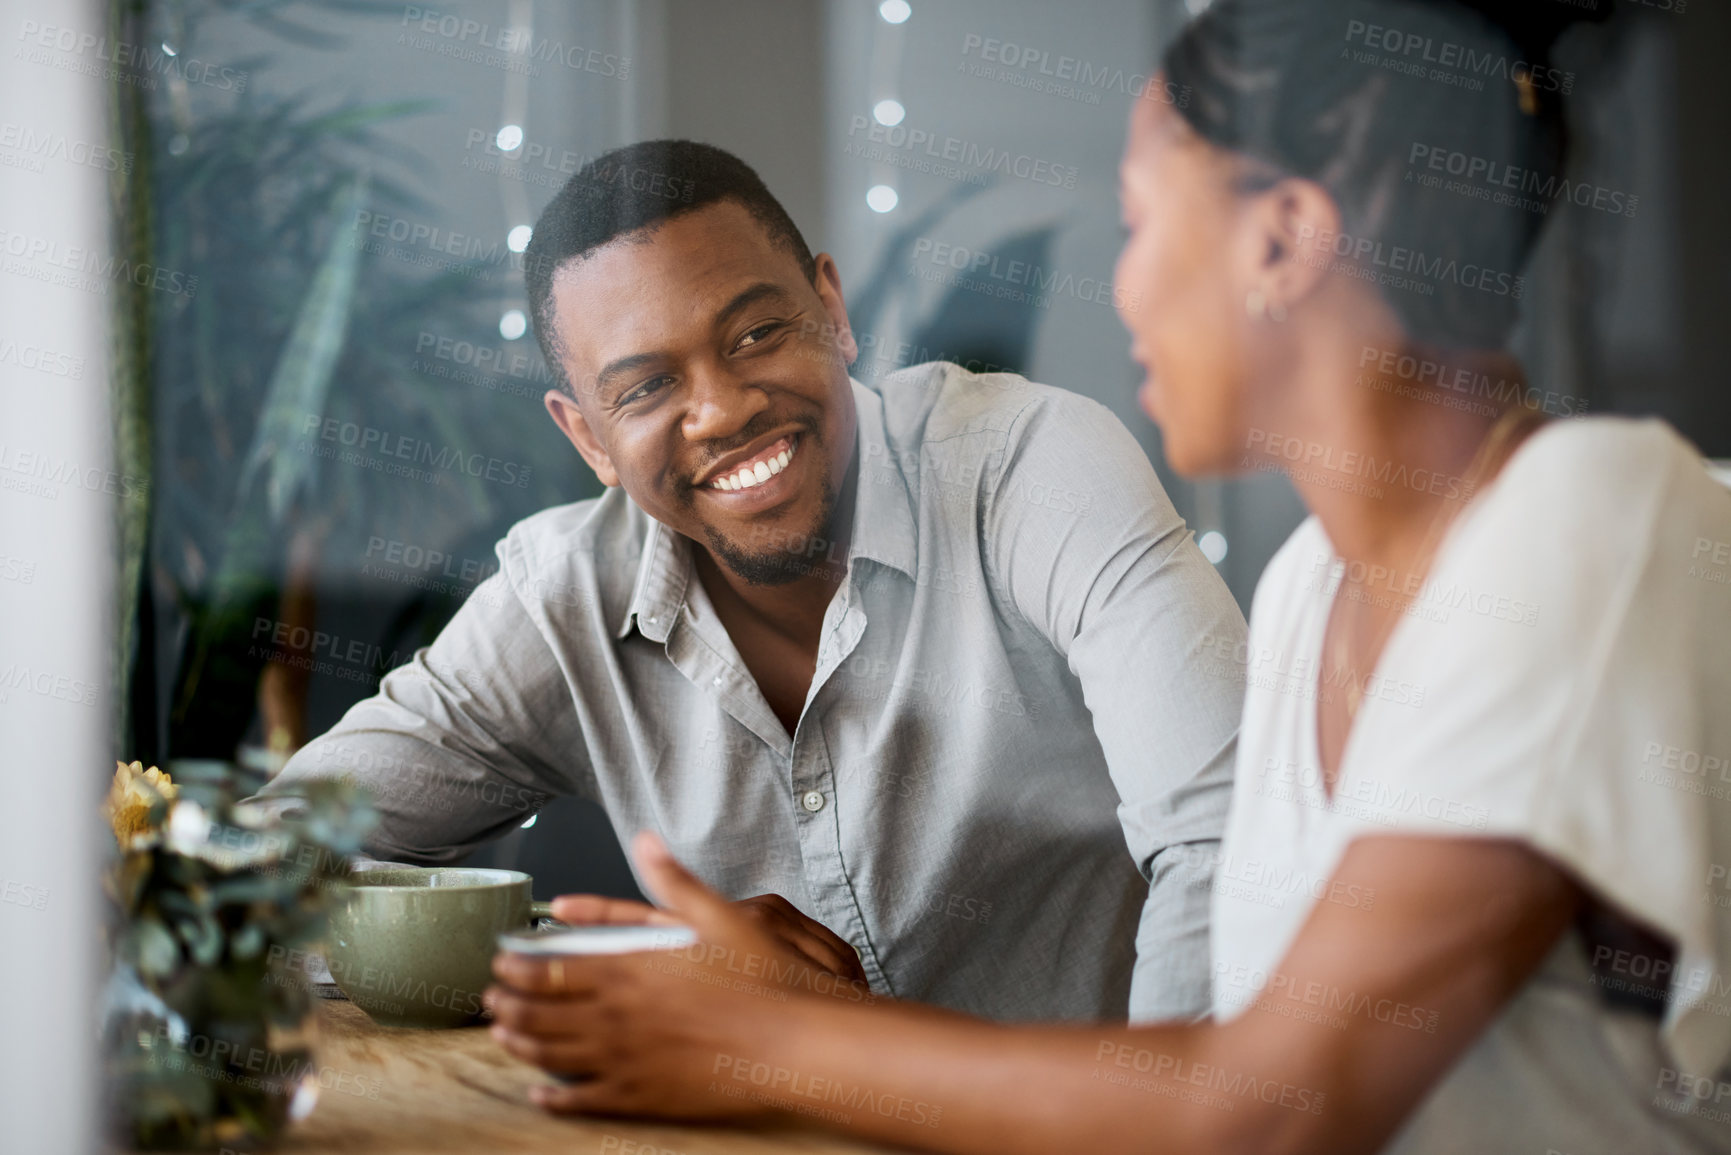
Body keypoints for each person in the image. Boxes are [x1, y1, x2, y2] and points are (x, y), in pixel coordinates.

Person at [483, 2, 1731, 1152]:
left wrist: (770, 1043)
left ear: (1284, 239)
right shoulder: (1307, 591)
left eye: (1139, 223)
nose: (1123, 285)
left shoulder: (1588, 516)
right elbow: (1217, 1071)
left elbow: (1282, 1109)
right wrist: (799, 1013)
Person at [262, 140, 1249, 1024]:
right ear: (587, 438)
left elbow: (1226, 854)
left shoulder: (1032, 469)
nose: (724, 408)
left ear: (831, 311)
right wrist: (630, 957)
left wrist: (1161, 1122)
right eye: (647, 388)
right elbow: (252, 881)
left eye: (755, 335)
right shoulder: (561, 599)